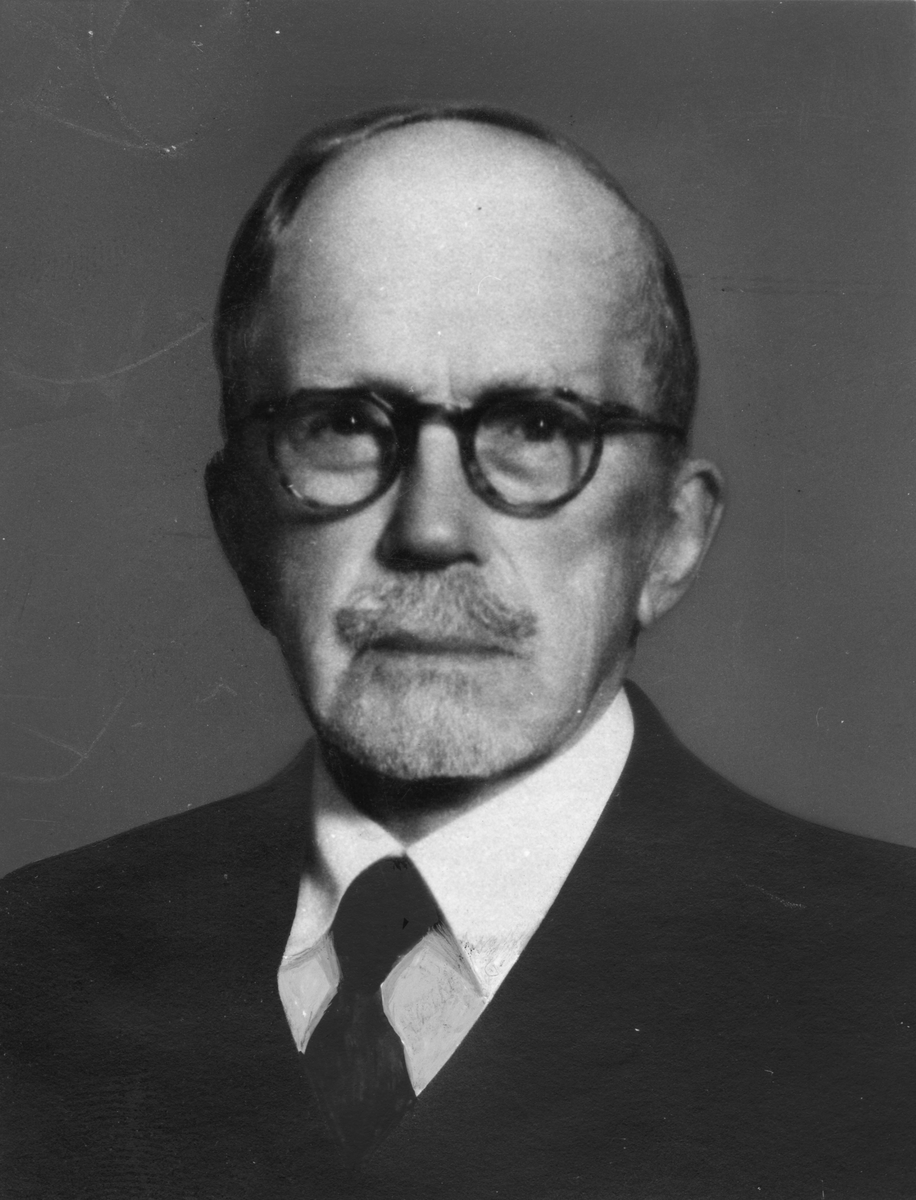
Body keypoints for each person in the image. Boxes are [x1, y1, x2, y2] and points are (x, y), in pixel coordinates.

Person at [3, 104, 915, 1200]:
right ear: (239, 525)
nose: (430, 527)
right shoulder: (29, 967)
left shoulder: (887, 979)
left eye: (536, 427)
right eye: (344, 425)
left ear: (670, 537)